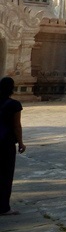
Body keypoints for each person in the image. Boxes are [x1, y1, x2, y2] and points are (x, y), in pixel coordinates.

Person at [0, 77, 26, 216]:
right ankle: (4, 207)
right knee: (6, 174)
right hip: (6, 143)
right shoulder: (14, 104)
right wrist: (21, 143)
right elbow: (17, 126)